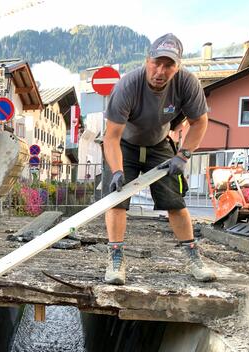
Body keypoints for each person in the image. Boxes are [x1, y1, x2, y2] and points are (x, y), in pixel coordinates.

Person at [102, 33, 216, 286]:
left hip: (159, 145)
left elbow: (200, 122)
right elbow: (111, 137)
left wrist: (183, 155)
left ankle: (193, 257)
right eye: (156, 63)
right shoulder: (128, 86)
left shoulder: (187, 84)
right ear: (147, 60)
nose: (161, 71)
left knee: (174, 201)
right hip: (124, 146)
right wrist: (118, 171)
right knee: (117, 200)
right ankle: (116, 259)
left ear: (178, 67)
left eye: (169, 65)